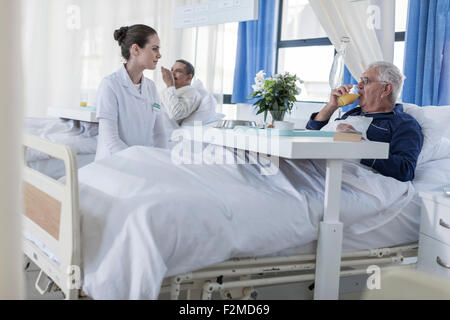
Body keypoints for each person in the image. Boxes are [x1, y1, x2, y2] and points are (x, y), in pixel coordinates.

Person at [306, 61, 423, 182]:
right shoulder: (352, 113)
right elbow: (309, 135)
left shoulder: (403, 124)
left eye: (365, 81)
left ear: (386, 89)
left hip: (340, 175)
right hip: (313, 164)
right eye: (360, 80)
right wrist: (331, 106)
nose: (358, 85)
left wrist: (360, 144)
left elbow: (405, 171)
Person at [95, 24, 174, 161]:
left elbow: (160, 134)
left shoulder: (151, 87)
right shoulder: (110, 85)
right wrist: (140, 162)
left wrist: (161, 162)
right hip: (112, 164)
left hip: (140, 164)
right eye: (154, 49)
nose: (159, 55)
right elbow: (111, 140)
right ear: (136, 49)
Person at [160, 59, 203, 125]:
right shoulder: (168, 90)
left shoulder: (193, 93)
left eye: (178, 71)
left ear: (189, 77)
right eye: (172, 70)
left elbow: (176, 114)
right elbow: (157, 106)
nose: (172, 73)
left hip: (167, 130)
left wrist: (170, 85)